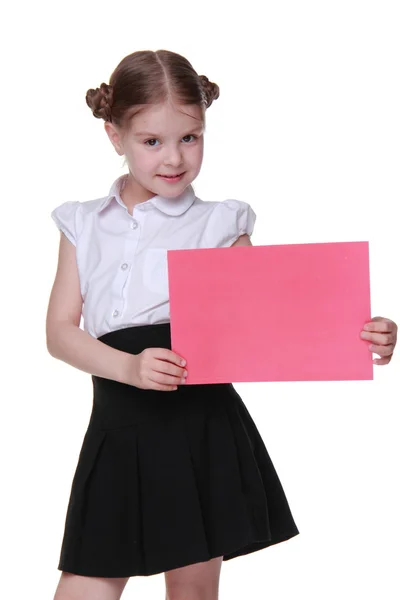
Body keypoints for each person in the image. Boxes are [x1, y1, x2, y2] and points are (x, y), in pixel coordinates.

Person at [46, 49, 398, 600]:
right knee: (85, 583)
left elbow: (277, 321)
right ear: (115, 136)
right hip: (120, 424)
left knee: (192, 590)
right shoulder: (83, 223)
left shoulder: (219, 223)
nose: (174, 159)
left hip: (200, 426)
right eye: (151, 141)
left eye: (190, 138)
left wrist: (362, 334)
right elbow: (61, 332)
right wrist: (130, 368)